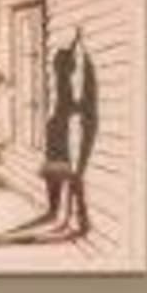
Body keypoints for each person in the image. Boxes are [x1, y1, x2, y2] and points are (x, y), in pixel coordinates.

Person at [31, 31, 100, 240]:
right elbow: (63, 102)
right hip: (60, 127)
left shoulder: (79, 75)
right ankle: (59, 215)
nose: (57, 68)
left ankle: (77, 220)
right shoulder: (63, 76)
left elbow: (79, 104)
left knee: (74, 174)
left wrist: (71, 118)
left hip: (73, 126)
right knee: (57, 172)